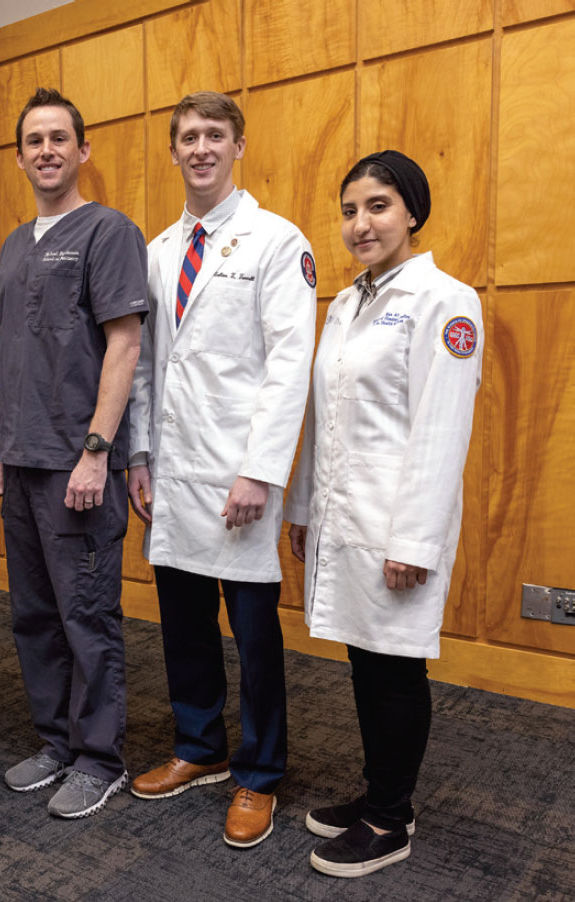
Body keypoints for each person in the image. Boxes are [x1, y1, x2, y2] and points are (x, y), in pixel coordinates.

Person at [126, 91, 315, 848]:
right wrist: (138, 453)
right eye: (187, 138)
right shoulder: (157, 249)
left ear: (238, 145)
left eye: (214, 135)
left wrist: (259, 472)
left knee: (252, 631)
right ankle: (198, 747)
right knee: (182, 623)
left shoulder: (276, 240)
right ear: (171, 152)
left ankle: (259, 771)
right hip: (172, 472)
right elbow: (142, 365)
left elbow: (288, 364)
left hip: (238, 473)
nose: (200, 148)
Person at [285, 150, 482, 877]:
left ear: (411, 213)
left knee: (395, 668)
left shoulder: (445, 301)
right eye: (348, 210)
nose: (360, 223)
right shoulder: (344, 302)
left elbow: (440, 431)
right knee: (364, 661)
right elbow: (321, 415)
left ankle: (390, 820)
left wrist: (414, 541)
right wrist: (303, 506)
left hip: (396, 524)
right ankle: (377, 791)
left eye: (376, 206)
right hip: (344, 519)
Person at [0, 88, 145, 819]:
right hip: (20, 462)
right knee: (34, 615)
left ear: (82, 150)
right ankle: (56, 740)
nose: (45, 150)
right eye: (33, 140)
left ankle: (99, 756)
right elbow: (9, 352)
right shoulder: (17, 243)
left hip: (75, 464)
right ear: (20, 156)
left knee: (86, 615)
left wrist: (94, 452)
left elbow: (124, 343)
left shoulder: (108, 231)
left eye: (58, 138)